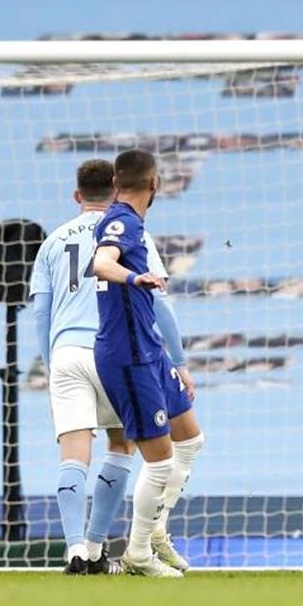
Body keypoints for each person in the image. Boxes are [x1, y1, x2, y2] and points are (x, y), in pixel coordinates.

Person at [29, 158, 189, 575]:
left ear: (77, 195)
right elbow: (160, 304)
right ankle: (100, 550)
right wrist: (179, 361)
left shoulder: (53, 241)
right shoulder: (133, 231)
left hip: (65, 354)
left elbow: (40, 312)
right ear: (116, 189)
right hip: (113, 351)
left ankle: (75, 550)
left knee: (73, 454)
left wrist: (51, 367)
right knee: (121, 446)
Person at [92, 149, 205, 578]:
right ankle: (138, 553)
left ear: (119, 180)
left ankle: (156, 530)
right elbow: (102, 263)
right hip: (128, 355)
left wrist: (177, 360)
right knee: (158, 461)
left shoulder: (136, 226)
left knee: (190, 441)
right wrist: (133, 277)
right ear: (155, 184)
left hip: (150, 349)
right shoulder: (120, 221)